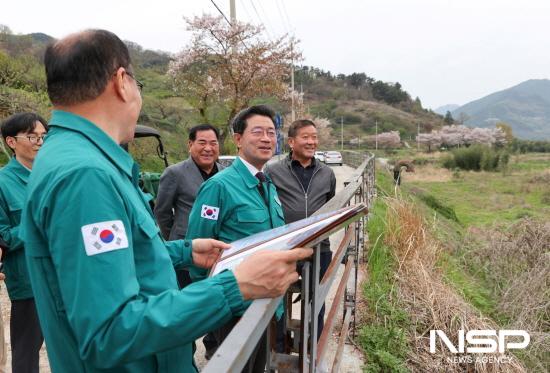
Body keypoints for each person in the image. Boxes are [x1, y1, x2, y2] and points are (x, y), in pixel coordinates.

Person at [19, 29, 312, 373]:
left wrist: (185, 251)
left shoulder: (75, 158)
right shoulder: (86, 175)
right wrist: (233, 287)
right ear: (122, 82)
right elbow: (109, 332)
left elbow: (120, 258)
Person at [186, 105, 286, 372]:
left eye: (271, 132)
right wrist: (214, 303)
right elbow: (197, 250)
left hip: (268, 304)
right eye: (258, 132)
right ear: (238, 139)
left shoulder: (268, 183)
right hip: (236, 308)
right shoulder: (219, 187)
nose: (266, 138)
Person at [154, 123, 223, 358]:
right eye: (202, 142)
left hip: (217, 251)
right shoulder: (175, 173)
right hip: (186, 252)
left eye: (213, 143)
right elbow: (162, 213)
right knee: (186, 307)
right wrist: (177, 238)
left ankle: (214, 347)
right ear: (190, 144)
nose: (208, 148)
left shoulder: (224, 173)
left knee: (216, 300)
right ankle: (184, 353)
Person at [266, 119, 336, 343]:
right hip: (285, 248)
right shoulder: (273, 171)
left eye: (314, 137)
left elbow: (331, 206)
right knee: (276, 300)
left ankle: (313, 350)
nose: (311, 142)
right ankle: (278, 347)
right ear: (291, 142)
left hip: (319, 248)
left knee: (317, 301)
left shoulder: (327, 173)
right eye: (306, 137)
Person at [0, 112, 47, 373]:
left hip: (65, 277)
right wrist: (39, 224)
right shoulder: (2, 183)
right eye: (32, 136)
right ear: (11, 142)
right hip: (29, 282)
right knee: (26, 356)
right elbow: (3, 236)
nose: (40, 142)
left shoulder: (54, 176)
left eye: (43, 136)